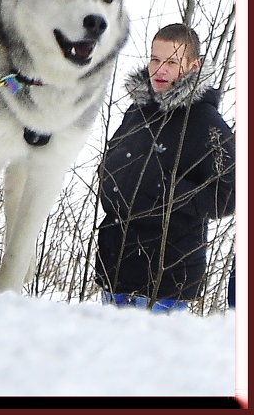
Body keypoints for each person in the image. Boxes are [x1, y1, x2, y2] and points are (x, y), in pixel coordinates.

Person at [94, 23, 236, 312]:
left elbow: (229, 196)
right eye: (155, 59)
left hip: (166, 282)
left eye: (171, 62)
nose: (160, 70)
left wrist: (166, 189)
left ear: (193, 66)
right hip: (115, 270)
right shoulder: (138, 110)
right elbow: (113, 164)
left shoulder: (206, 122)